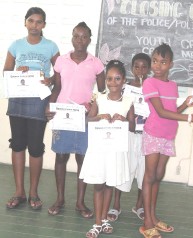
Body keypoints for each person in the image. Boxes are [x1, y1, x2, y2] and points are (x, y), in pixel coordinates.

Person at [45, 22, 105, 218]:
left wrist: (93, 106)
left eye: (84, 37)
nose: (80, 40)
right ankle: (60, 199)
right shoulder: (61, 61)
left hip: (85, 118)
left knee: (82, 158)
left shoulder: (96, 63)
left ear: (89, 39)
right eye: (76, 36)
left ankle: (80, 202)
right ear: (72, 38)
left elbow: (102, 92)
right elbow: (57, 88)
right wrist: (50, 106)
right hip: (63, 115)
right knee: (61, 156)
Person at [140, 43, 193, 238]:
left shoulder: (173, 85)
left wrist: (185, 104)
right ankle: (147, 222)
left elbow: (172, 113)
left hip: (167, 136)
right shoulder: (149, 83)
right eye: (154, 61)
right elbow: (160, 112)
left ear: (171, 64)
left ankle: (154, 217)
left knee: (158, 175)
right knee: (149, 177)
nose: (157, 66)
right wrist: (191, 118)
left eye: (162, 62)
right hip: (153, 134)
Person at [4, 7, 60, 210]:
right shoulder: (15, 45)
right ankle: (19, 191)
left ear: (44, 25)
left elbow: (59, 75)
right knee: (18, 144)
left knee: (36, 147)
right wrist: (18, 72)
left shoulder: (51, 47)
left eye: (39, 22)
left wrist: (50, 79)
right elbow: (6, 73)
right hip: (18, 101)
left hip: (39, 101)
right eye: (31, 21)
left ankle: (34, 193)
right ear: (25, 23)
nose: (34, 25)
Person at [79, 60, 135, 238]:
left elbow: (133, 127)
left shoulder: (128, 101)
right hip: (99, 149)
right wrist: (99, 116)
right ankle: (96, 223)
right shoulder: (99, 98)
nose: (113, 83)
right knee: (98, 185)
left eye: (117, 79)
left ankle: (104, 219)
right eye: (109, 79)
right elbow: (88, 119)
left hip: (116, 150)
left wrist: (123, 119)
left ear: (124, 80)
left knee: (109, 184)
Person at [107, 53, 151, 222]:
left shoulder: (152, 87)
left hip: (146, 134)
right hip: (127, 134)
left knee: (143, 171)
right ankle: (116, 205)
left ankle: (139, 205)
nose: (140, 70)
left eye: (144, 67)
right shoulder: (124, 88)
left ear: (149, 69)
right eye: (136, 67)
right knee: (123, 167)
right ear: (132, 69)